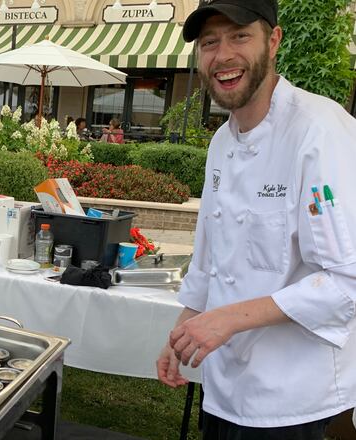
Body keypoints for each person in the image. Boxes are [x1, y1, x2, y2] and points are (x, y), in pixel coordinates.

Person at [156, 1, 356, 439]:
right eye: (210, 42)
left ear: (274, 40)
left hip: (295, 399)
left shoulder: (320, 132)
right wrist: (182, 332)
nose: (223, 55)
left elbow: (346, 281)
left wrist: (227, 319)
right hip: (224, 386)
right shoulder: (221, 143)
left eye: (240, 36)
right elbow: (208, 263)